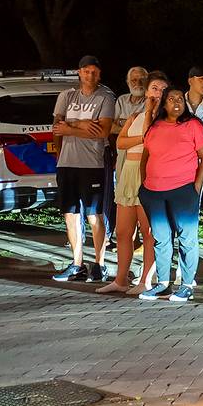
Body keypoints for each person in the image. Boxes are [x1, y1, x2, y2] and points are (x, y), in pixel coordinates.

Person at [137, 87, 203, 301]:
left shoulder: (194, 125)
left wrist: (196, 186)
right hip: (153, 191)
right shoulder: (155, 127)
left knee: (187, 238)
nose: (176, 102)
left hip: (183, 189)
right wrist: (144, 184)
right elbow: (146, 155)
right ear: (164, 104)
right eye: (171, 99)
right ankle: (162, 283)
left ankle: (187, 284)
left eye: (180, 98)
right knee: (160, 237)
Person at [98, 71, 167, 295]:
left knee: (148, 232)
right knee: (123, 231)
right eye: (155, 88)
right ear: (147, 91)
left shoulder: (164, 121)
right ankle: (120, 279)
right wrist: (139, 138)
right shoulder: (134, 117)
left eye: (163, 90)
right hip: (128, 173)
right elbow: (121, 141)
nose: (158, 93)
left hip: (149, 174)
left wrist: (149, 114)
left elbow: (151, 139)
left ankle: (146, 279)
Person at [51, 55, 116, 283]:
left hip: (92, 164)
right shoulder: (66, 96)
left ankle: (100, 264)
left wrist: (70, 128)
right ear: (79, 72)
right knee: (70, 214)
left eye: (95, 72)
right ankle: (77, 263)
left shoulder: (106, 97)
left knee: (93, 215)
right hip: (67, 163)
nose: (91, 76)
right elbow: (57, 127)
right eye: (87, 71)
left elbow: (102, 132)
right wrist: (79, 126)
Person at [105, 65, 149, 248]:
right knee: (124, 193)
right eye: (133, 80)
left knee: (141, 193)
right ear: (127, 82)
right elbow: (110, 127)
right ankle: (129, 237)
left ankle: (141, 237)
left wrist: (123, 125)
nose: (137, 83)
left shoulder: (149, 100)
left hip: (142, 155)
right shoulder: (122, 100)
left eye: (141, 79)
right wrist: (129, 125)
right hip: (123, 154)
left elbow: (146, 130)